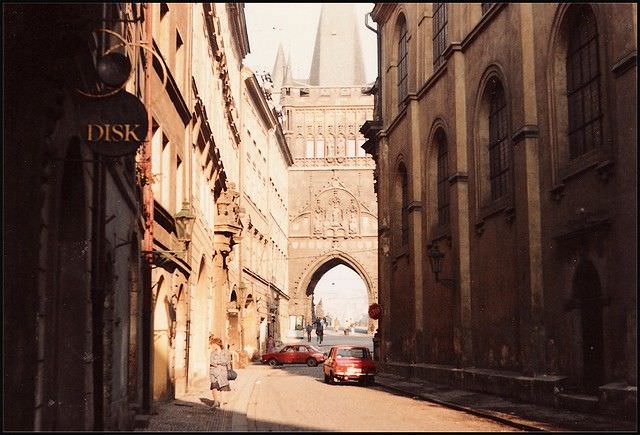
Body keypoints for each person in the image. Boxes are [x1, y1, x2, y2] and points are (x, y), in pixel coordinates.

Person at [209, 335, 231, 409]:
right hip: (213, 372)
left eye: (213, 344)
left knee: (223, 387)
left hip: (222, 372)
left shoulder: (226, 352)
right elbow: (212, 362)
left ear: (217, 344)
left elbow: (226, 361)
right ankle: (215, 402)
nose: (212, 346)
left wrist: (217, 362)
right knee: (214, 387)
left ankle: (221, 403)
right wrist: (219, 362)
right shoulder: (212, 353)